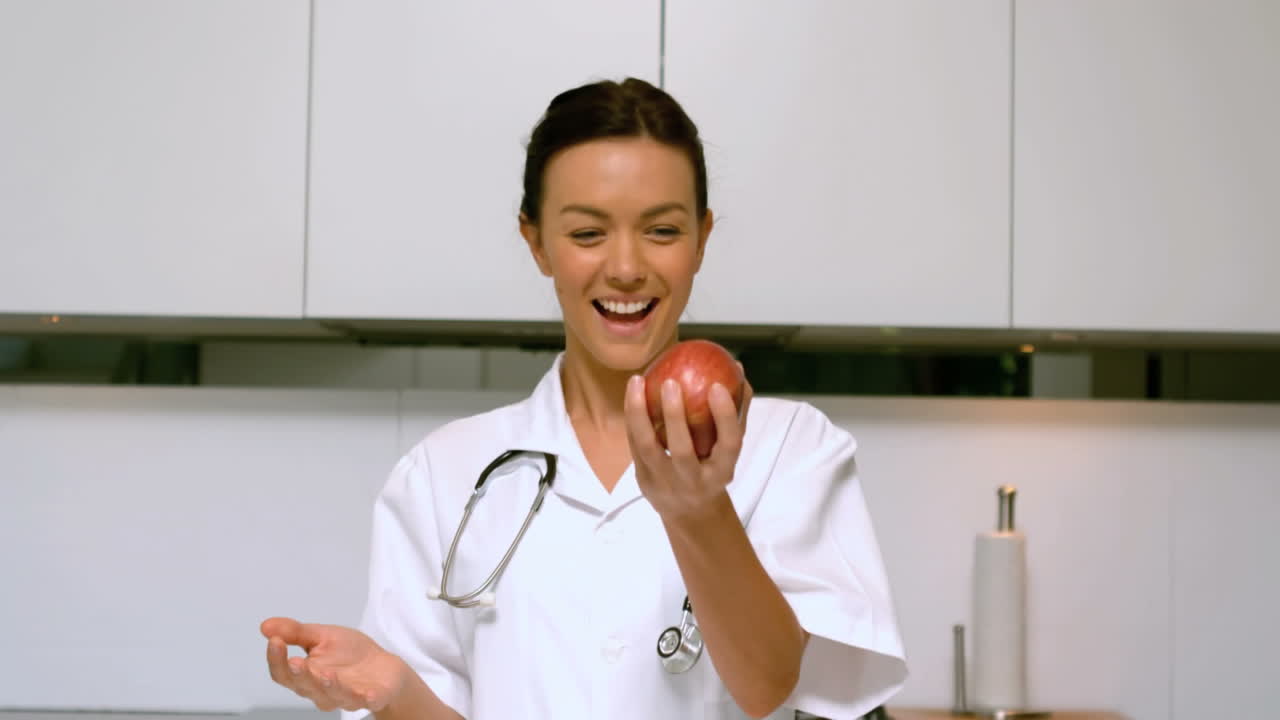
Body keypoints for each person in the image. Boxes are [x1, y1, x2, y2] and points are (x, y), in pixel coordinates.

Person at [261, 77, 906, 720]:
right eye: (588, 233)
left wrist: (700, 511)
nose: (625, 268)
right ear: (536, 242)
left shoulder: (792, 450)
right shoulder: (441, 473)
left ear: (702, 239)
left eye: (662, 230)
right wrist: (399, 694)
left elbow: (770, 687)